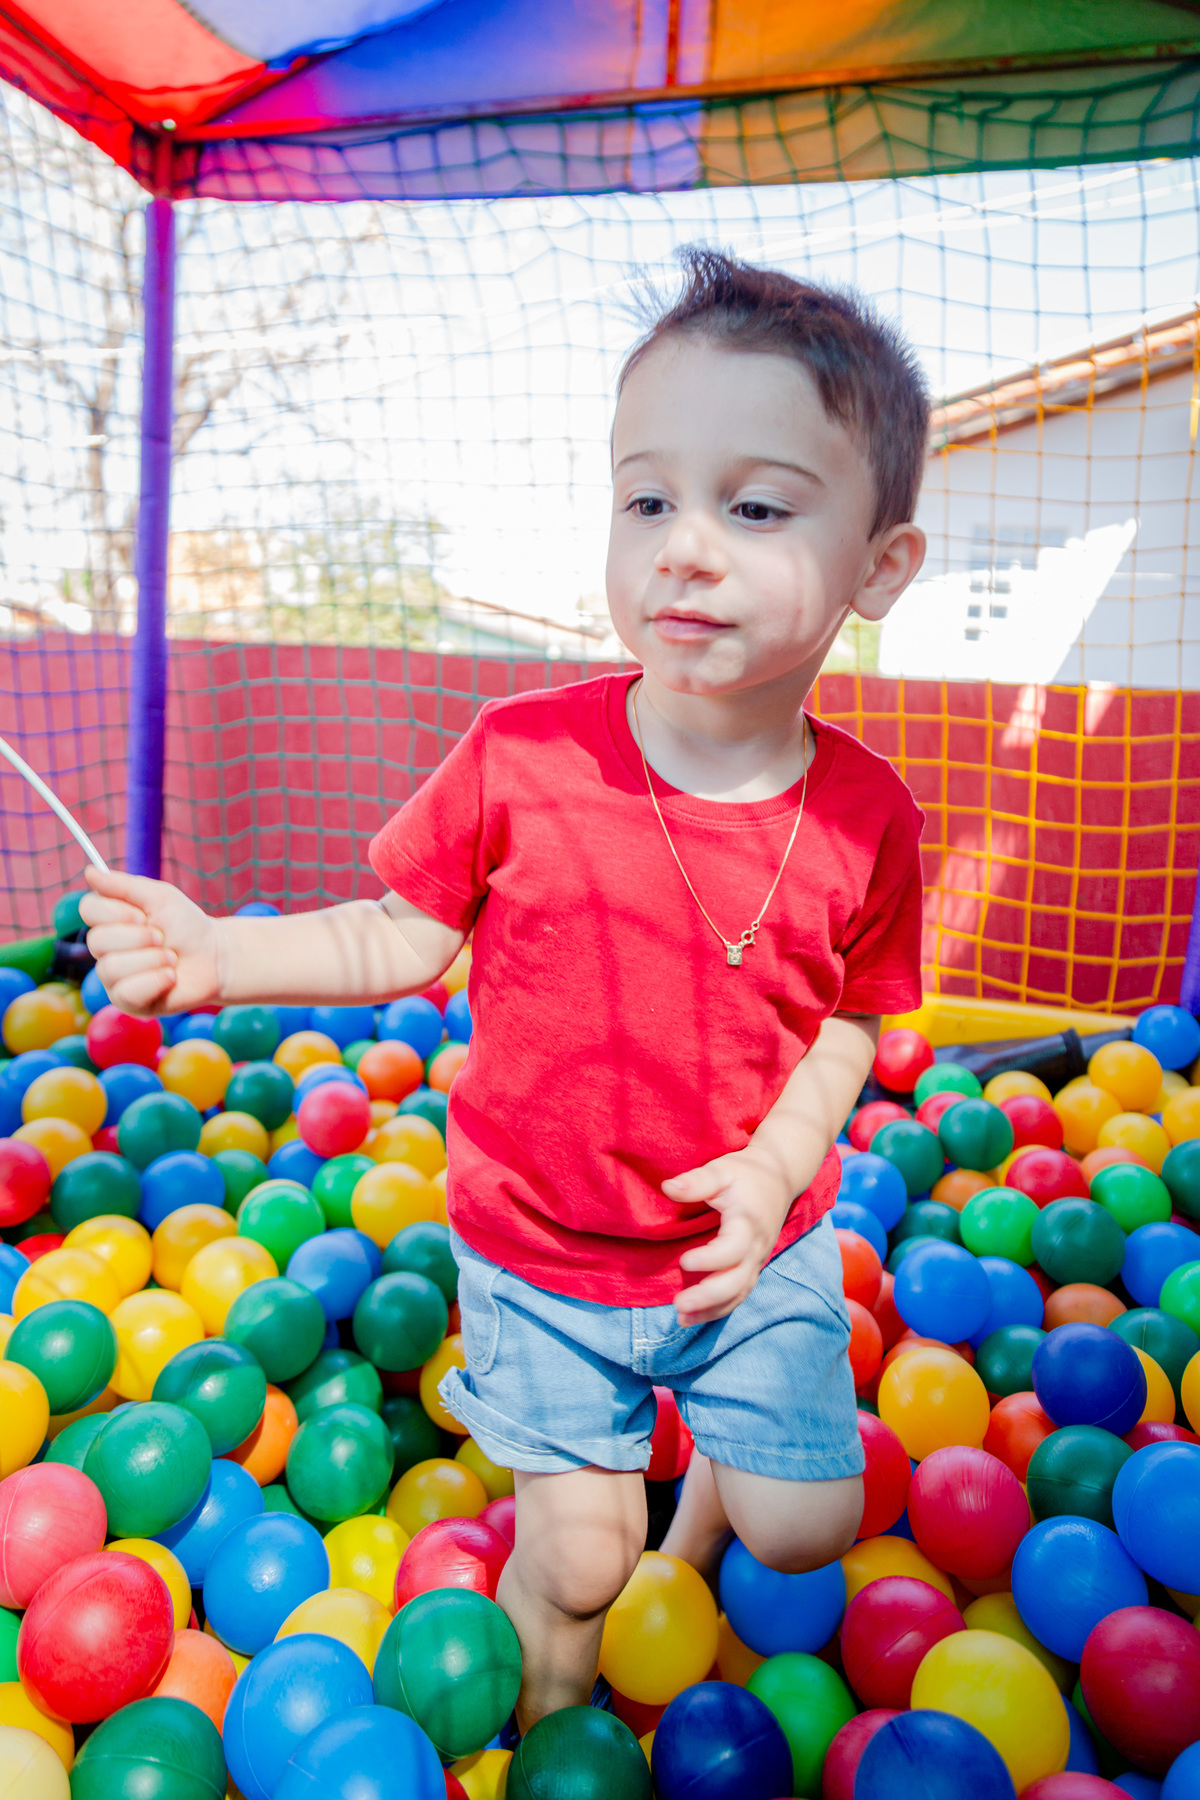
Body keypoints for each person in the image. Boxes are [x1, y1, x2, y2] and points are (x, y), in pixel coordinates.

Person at [82, 246, 929, 1730]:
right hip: (544, 1251)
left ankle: (700, 1514)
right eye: (647, 500)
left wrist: (778, 1164)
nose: (684, 548)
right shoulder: (524, 756)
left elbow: (852, 1018)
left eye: (754, 508)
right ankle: (551, 1730)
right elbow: (395, 935)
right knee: (580, 1565)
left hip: (751, 1252)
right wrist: (222, 958)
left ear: (879, 569)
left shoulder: (870, 820)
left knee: (805, 1528)